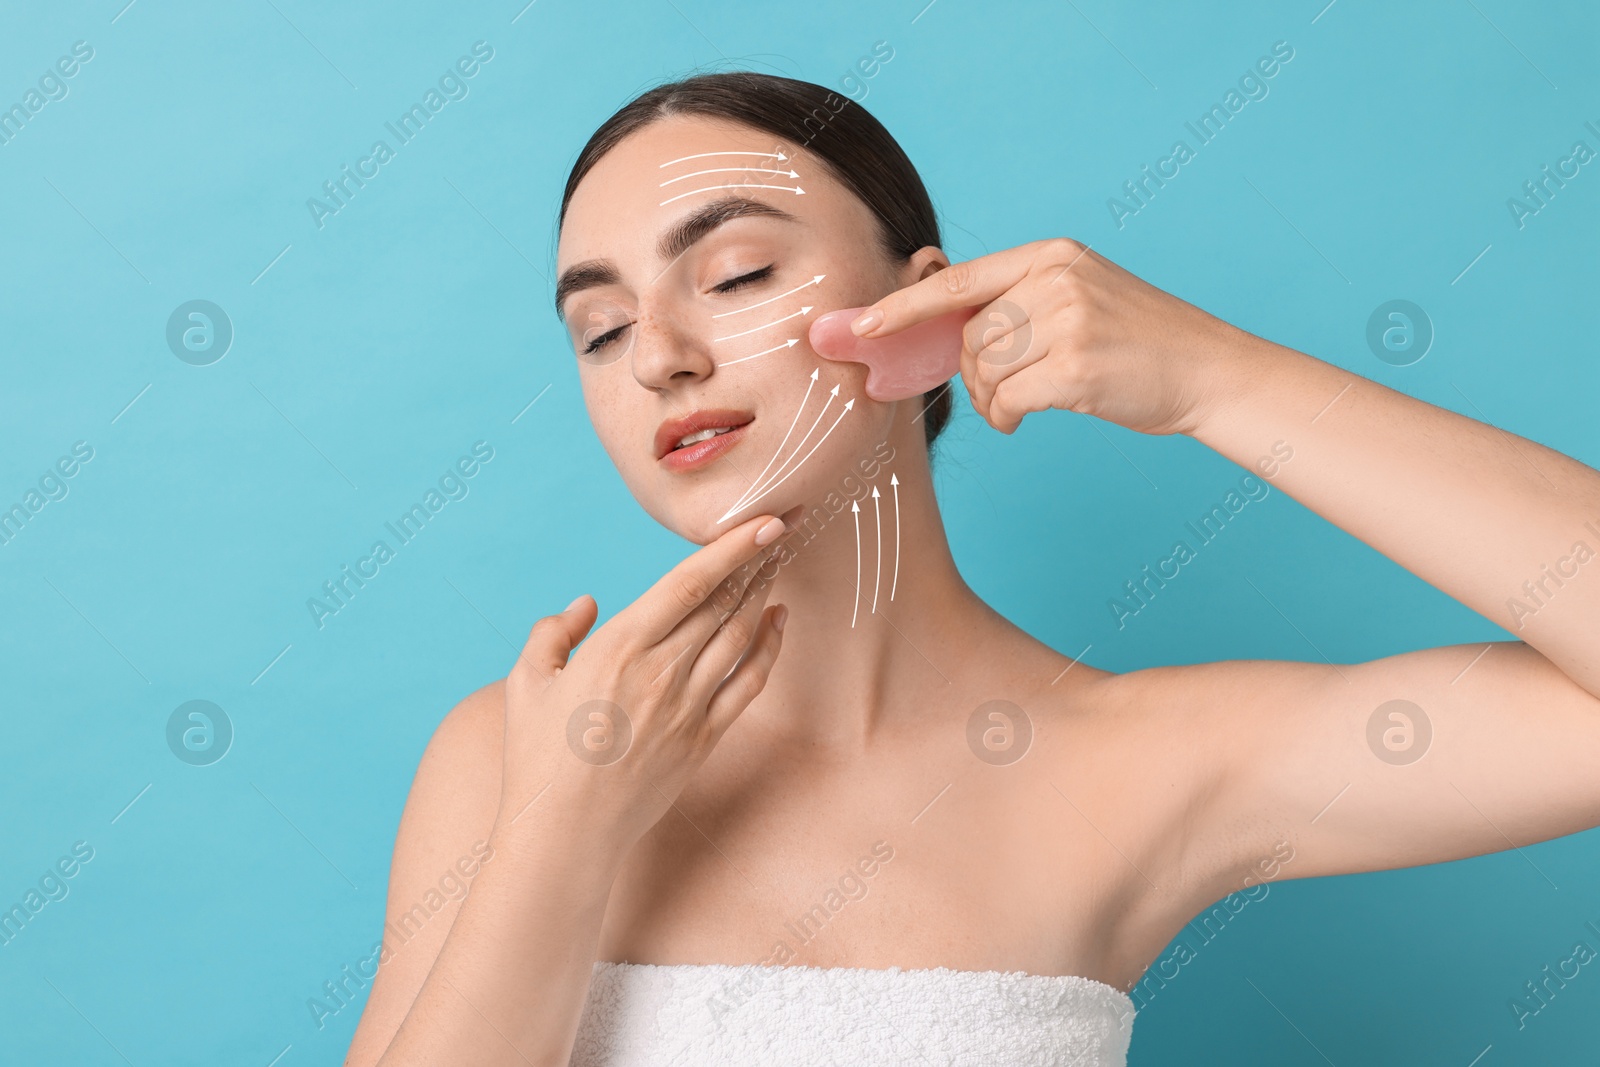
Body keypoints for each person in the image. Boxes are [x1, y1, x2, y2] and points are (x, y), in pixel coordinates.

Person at [345, 72, 1600, 1066]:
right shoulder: (517, 755)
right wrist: (564, 829)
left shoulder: (1139, 763)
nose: (656, 354)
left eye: (732, 274)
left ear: (923, 312)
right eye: (600, 328)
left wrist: (1218, 379)